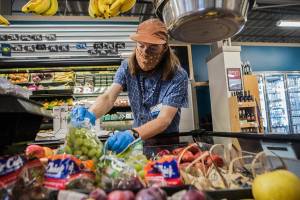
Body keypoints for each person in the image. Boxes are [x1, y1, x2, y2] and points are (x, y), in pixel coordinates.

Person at [72, 18, 188, 153]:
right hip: (137, 143)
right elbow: (109, 97)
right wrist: (89, 116)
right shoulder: (127, 67)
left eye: (153, 47)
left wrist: (132, 134)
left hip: (165, 143)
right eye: (141, 45)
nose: (145, 52)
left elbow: (164, 120)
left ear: (164, 48)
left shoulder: (178, 76)